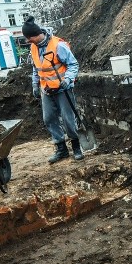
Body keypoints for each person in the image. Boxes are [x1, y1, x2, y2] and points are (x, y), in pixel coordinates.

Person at [23, 16, 83, 163]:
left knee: (68, 120)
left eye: (28, 38)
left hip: (63, 89)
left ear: (35, 35)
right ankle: (61, 149)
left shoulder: (58, 45)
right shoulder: (34, 48)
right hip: (46, 90)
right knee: (49, 118)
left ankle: (76, 147)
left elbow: (73, 65)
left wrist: (68, 79)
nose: (27, 41)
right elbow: (36, 69)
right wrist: (35, 85)